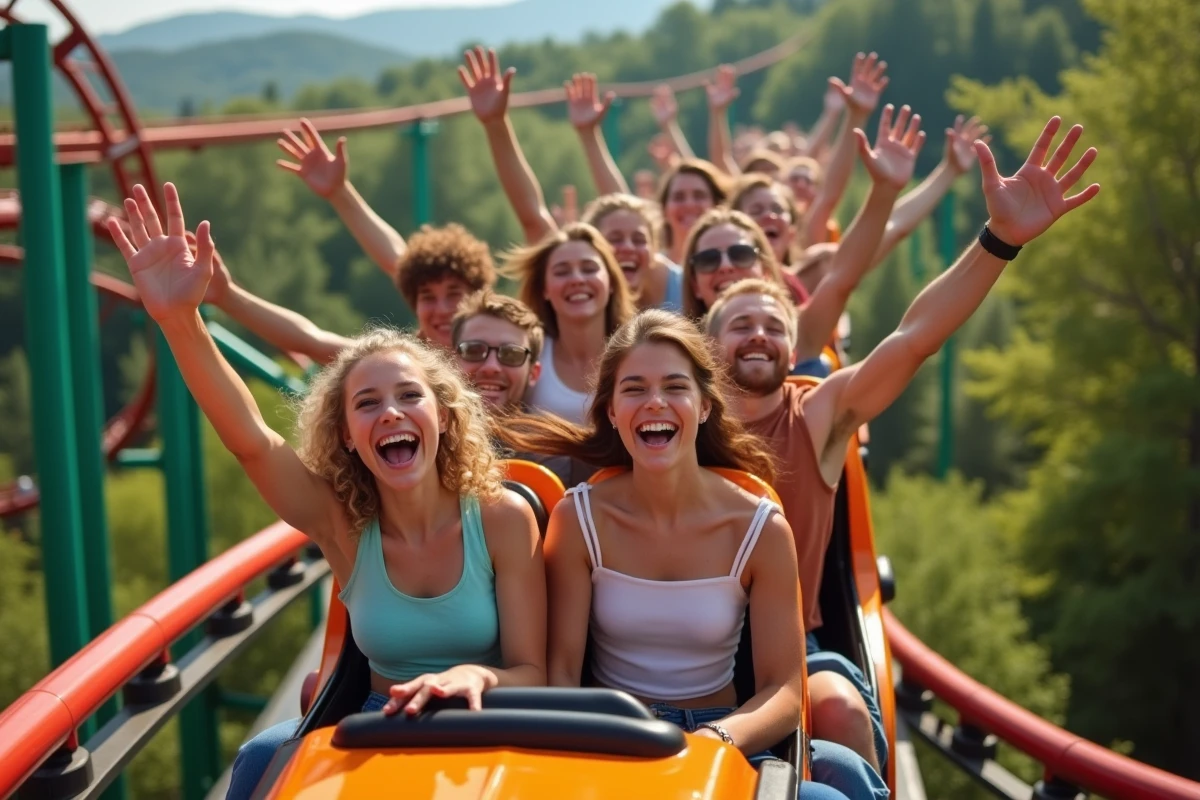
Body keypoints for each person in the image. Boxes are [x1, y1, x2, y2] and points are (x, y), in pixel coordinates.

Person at [106, 183, 547, 800]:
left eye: (409, 396)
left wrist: (475, 674)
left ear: (445, 416)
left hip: (488, 726)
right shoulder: (342, 523)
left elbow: (536, 671)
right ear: (346, 436)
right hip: (375, 730)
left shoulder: (502, 517)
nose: (391, 412)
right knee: (263, 764)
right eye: (368, 403)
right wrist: (180, 321)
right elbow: (253, 442)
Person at [705, 114, 1101, 770]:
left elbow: (914, 337)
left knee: (839, 711)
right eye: (739, 323)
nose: (757, 335)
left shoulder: (816, 415)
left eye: (774, 325)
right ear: (708, 347)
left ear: (795, 344)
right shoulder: (678, 422)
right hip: (688, 653)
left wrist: (998, 241)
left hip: (789, 650)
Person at [498, 310, 889, 800]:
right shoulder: (579, 519)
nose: (655, 402)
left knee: (836, 787)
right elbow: (561, 670)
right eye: (635, 388)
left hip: (727, 735)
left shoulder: (759, 527)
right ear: (612, 412)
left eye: (675, 387)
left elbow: (785, 692)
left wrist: (715, 741)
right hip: (615, 731)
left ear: (705, 405)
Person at [276, 119, 495, 349]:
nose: (441, 309)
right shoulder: (407, 366)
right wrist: (233, 299)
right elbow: (313, 341)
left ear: (478, 296)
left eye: (454, 294)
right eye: (428, 297)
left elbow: (534, 223)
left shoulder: (505, 350)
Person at [451, 289, 595, 486]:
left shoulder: (558, 454)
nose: (491, 367)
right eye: (474, 350)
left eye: (511, 354)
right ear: (450, 362)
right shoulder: (422, 444)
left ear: (533, 373)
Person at [500, 223, 635, 423]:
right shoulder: (527, 355)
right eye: (562, 272)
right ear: (544, 289)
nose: (577, 279)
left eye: (589, 269)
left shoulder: (638, 352)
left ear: (612, 282)